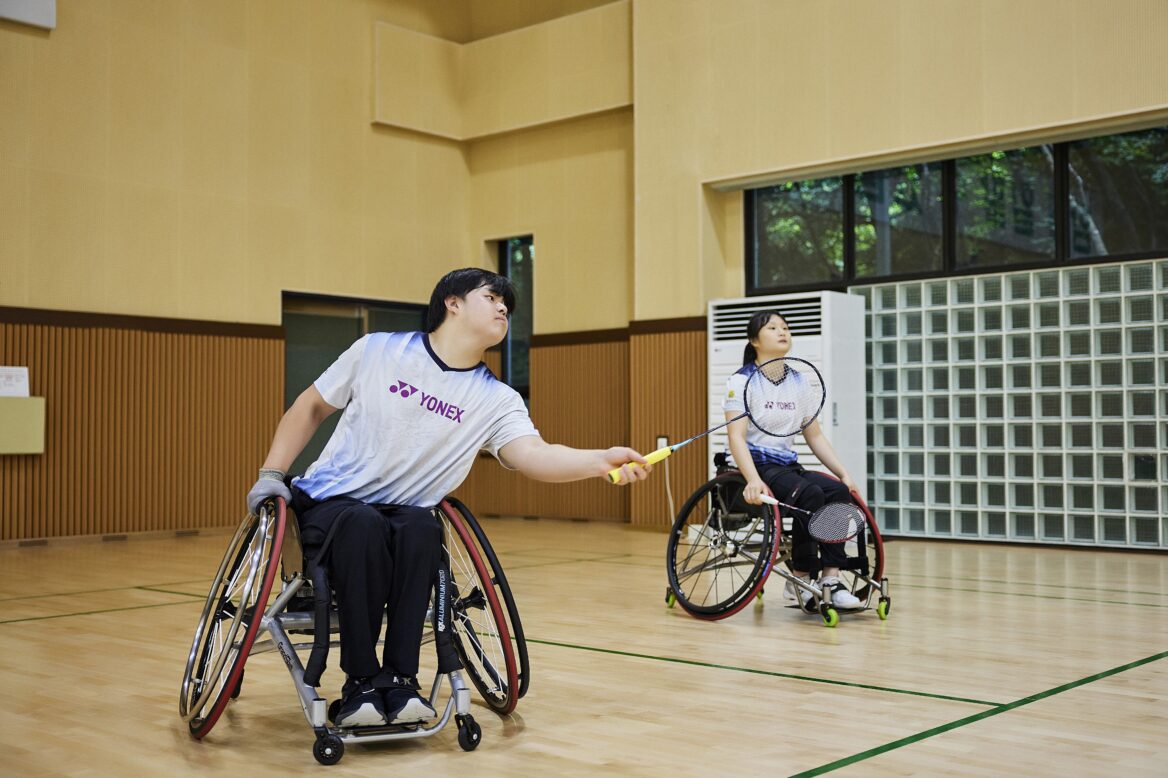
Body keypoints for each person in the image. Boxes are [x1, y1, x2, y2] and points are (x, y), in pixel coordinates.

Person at [246, 268, 650, 728]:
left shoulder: (497, 399)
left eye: (508, 306)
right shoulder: (379, 349)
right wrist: (272, 474)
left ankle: (400, 680)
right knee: (362, 523)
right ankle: (360, 681)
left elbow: (534, 454)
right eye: (493, 297)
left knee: (422, 526)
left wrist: (599, 461)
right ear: (452, 303)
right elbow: (311, 406)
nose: (503, 309)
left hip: (407, 516)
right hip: (333, 505)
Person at [723, 309, 862, 611]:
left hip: (787, 465)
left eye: (785, 327)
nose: (782, 332)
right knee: (809, 494)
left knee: (837, 492)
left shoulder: (800, 382)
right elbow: (736, 437)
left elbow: (814, 436)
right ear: (754, 340)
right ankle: (799, 576)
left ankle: (830, 579)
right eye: (772, 328)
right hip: (758, 464)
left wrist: (843, 472)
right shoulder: (741, 381)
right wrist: (752, 479)